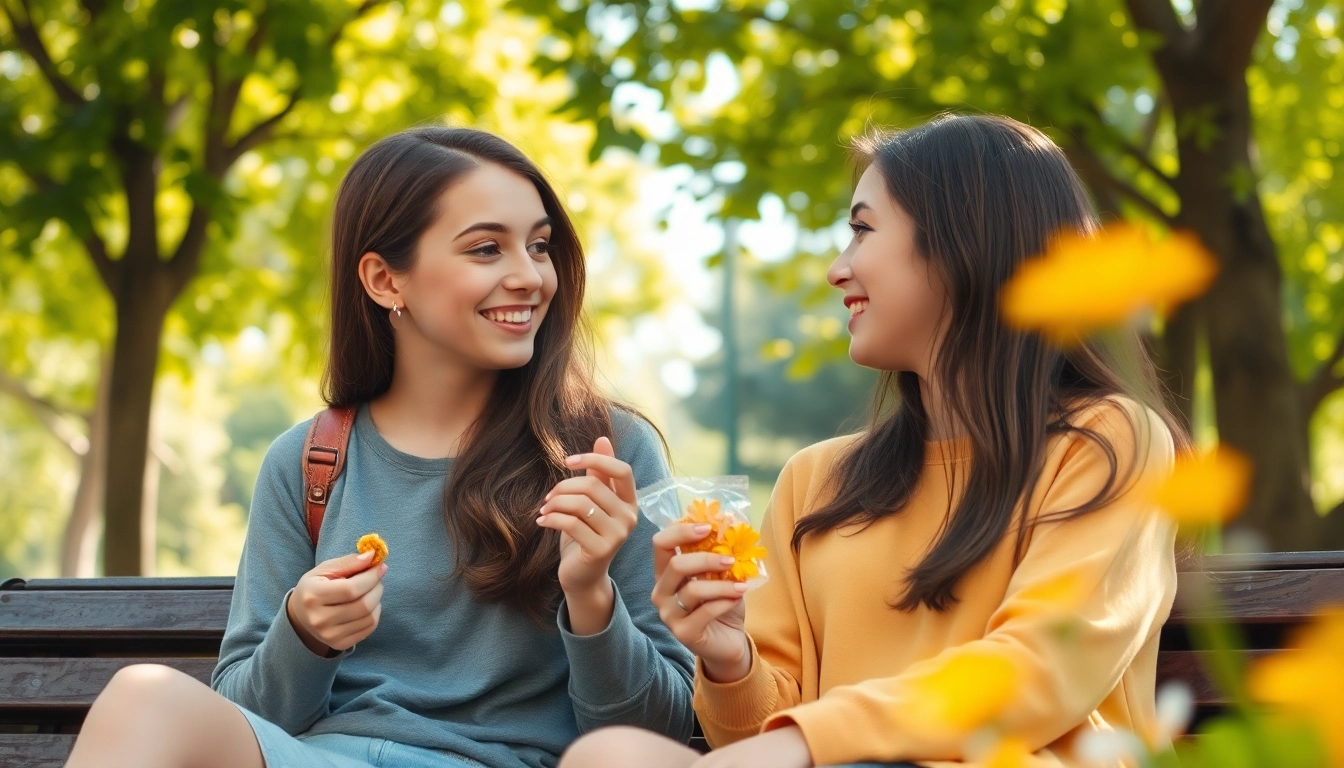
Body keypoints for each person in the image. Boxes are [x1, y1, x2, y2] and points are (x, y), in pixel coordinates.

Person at [560, 114, 1184, 768]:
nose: (838, 270)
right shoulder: (817, 480)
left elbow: (1035, 672)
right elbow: (754, 744)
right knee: (611, 754)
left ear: (965, 241)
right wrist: (727, 656)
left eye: (862, 230)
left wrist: (808, 739)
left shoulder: (1113, 443)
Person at [63, 126, 694, 768]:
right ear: (385, 280)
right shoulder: (308, 461)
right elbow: (246, 709)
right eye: (485, 249)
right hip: (323, 759)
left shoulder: (601, 452)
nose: (530, 276)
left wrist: (590, 595)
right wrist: (305, 634)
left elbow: (654, 736)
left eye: (538, 245)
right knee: (143, 696)